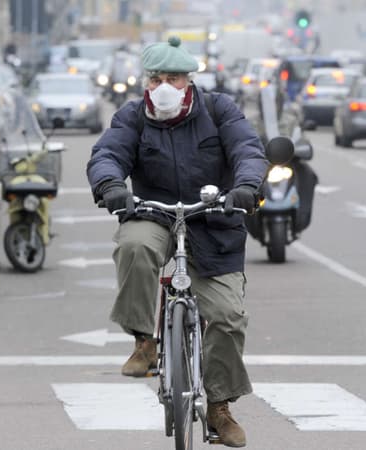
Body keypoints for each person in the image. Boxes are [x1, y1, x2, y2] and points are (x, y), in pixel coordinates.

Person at [86, 36, 268, 448]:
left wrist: (245, 187)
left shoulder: (220, 110)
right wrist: (111, 184)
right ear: (144, 83)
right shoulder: (132, 116)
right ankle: (144, 343)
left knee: (227, 315)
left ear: (189, 82)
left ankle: (219, 406)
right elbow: (106, 155)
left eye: (173, 78)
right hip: (153, 212)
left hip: (213, 217)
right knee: (134, 246)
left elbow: (248, 150)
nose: (164, 86)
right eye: (156, 79)